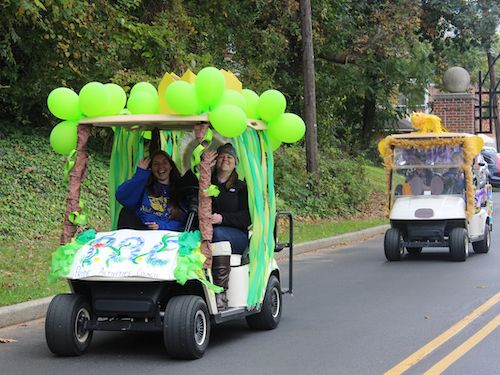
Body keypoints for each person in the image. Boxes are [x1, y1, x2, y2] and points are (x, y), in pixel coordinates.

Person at [204, 143, 251, 309]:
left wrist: (222, 218)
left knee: (218, 234)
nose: (225, 159)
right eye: (222, 156)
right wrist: (202, 166)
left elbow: (247, 217)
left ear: (235, 162)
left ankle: (220, 292)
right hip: (207, 231)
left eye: (229, 157)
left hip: (235, 235)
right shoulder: (206, 182)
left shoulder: (241, 187)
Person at [115, 150, 185, 231]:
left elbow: (182, 221)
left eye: (164, 163)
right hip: (142, 232)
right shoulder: (144, 186)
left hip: (166, 234)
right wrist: (140, 175)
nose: (160, 167)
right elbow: (121, 197)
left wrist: (161, 226)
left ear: (171, 167)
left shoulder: (180, 189)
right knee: (125, 212)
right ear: (151, 168)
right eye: (156, 164)